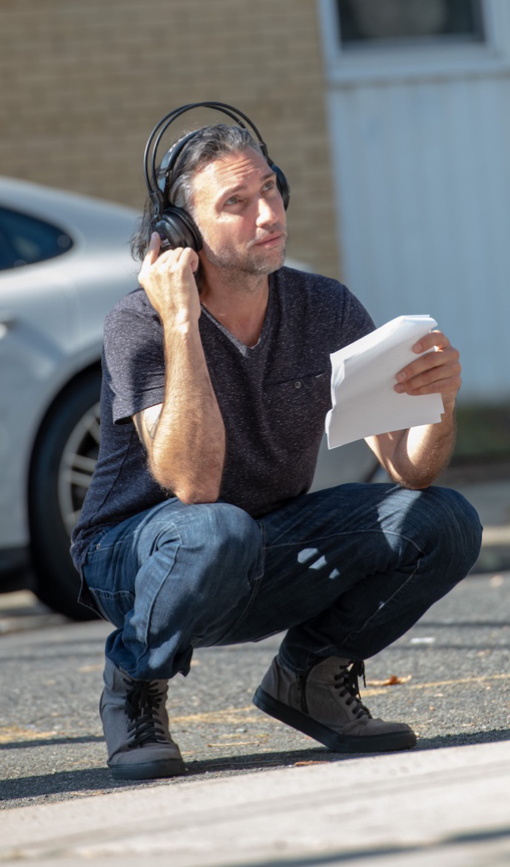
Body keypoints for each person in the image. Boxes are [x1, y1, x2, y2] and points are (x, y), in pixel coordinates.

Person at [71, 109, 482, 781]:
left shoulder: (325, 306)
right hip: (139, 556)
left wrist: (437, 403)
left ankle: (310, 679)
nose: (268, 214)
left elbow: (411, 471)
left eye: (270, 189)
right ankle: (135, 685)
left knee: (444, 520)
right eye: (236, 203)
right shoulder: (139, 322)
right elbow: (193, 486)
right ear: (180, 233)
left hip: (259, 543)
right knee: (214, 529)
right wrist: (181, 323)